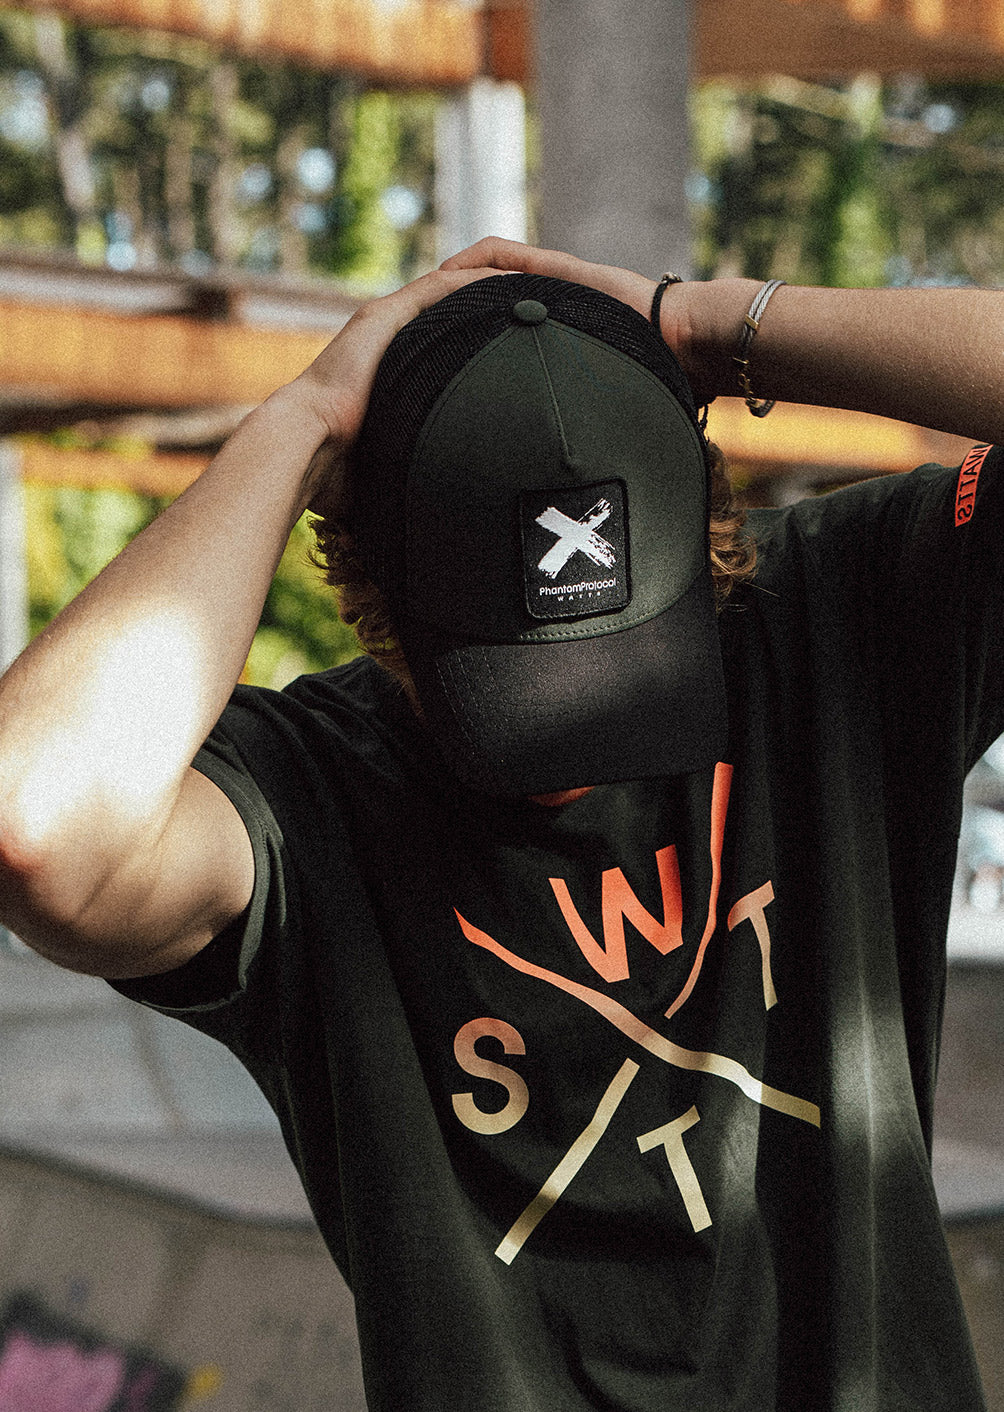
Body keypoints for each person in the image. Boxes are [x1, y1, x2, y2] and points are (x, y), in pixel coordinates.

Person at [0, 235, 1002, 1411]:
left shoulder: (835, 618)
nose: (577, 760)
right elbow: (36, 820)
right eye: (510, 691)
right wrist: (301, 421)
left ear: (703, 527)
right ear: (367, 586)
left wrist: (708, 326)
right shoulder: (309, 797)